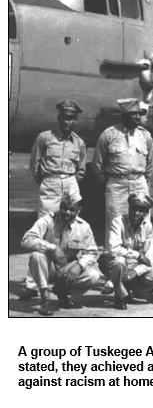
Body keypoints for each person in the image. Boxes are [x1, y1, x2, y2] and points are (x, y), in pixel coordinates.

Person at [21, 99, 87, 301]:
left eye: (71, 118)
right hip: (50, 184)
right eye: (64, 118)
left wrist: (70, 182)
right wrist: (47, 182)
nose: (67, 122)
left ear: (75, 120)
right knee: (45, 230)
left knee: (72, 229)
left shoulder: (79, 142)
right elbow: (35, 165)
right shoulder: (45, 138)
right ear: (59, 118)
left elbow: (81, 170)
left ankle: (63, 279)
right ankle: (33, 284)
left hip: (70, 182)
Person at [92, 98, 153, 294]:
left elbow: (151, 165)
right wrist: (114, 181)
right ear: (123, 116)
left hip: (139, 182)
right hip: (116, 184)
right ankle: (112, 277)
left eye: (139, 114)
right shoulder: (109, 135)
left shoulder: (145, 136)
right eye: (132, 115)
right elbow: (98, 165)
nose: (137, 118)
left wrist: (140, 182)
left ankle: (142, 272)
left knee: (142, 227)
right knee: (114, 227)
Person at [20, 191, 100, 316]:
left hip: (67, 268)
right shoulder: (47, 220)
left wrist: (79, 266)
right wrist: (52, 247)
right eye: (64, 208)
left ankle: (62, 292)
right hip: (48, 267)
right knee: (36, 255)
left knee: (93, 276)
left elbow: (92, 252)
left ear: (79, 210)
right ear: (60, 206)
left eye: (72, 210)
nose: (67, 213)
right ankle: (45, 299)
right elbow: (26, 240)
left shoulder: (84, 227)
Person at [105, 193, 153, 310]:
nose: (137, 213)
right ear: (129, 208)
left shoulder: (148, 226)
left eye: (141, 210)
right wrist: (138, 255)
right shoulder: (118, 222)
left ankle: (132, 288)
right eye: (134, 208)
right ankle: (119, 297)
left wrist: (136, 272)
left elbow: (149, 259)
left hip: (135, 267)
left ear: (146, 213)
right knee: (119, 262)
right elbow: (113, 250)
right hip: (118, 264)